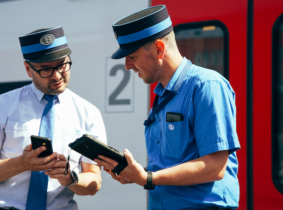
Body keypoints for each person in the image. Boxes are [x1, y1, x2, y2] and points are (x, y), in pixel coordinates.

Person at [95, 5, 240, 210]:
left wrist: (148, 178)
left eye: (132, 56)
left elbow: (215, 167)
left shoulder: (207, 85)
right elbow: (176, 165)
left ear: (159, 49)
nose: (127, 65)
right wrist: (136, 174)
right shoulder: (164, 94)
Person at [0, 26, 107, 210]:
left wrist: (70, 177)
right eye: (45, 69)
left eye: (62, 65)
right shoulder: (1, 106)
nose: (56, 76)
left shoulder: (88, 113)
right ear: (28, 69)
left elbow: (94, 181)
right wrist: (22, 164)